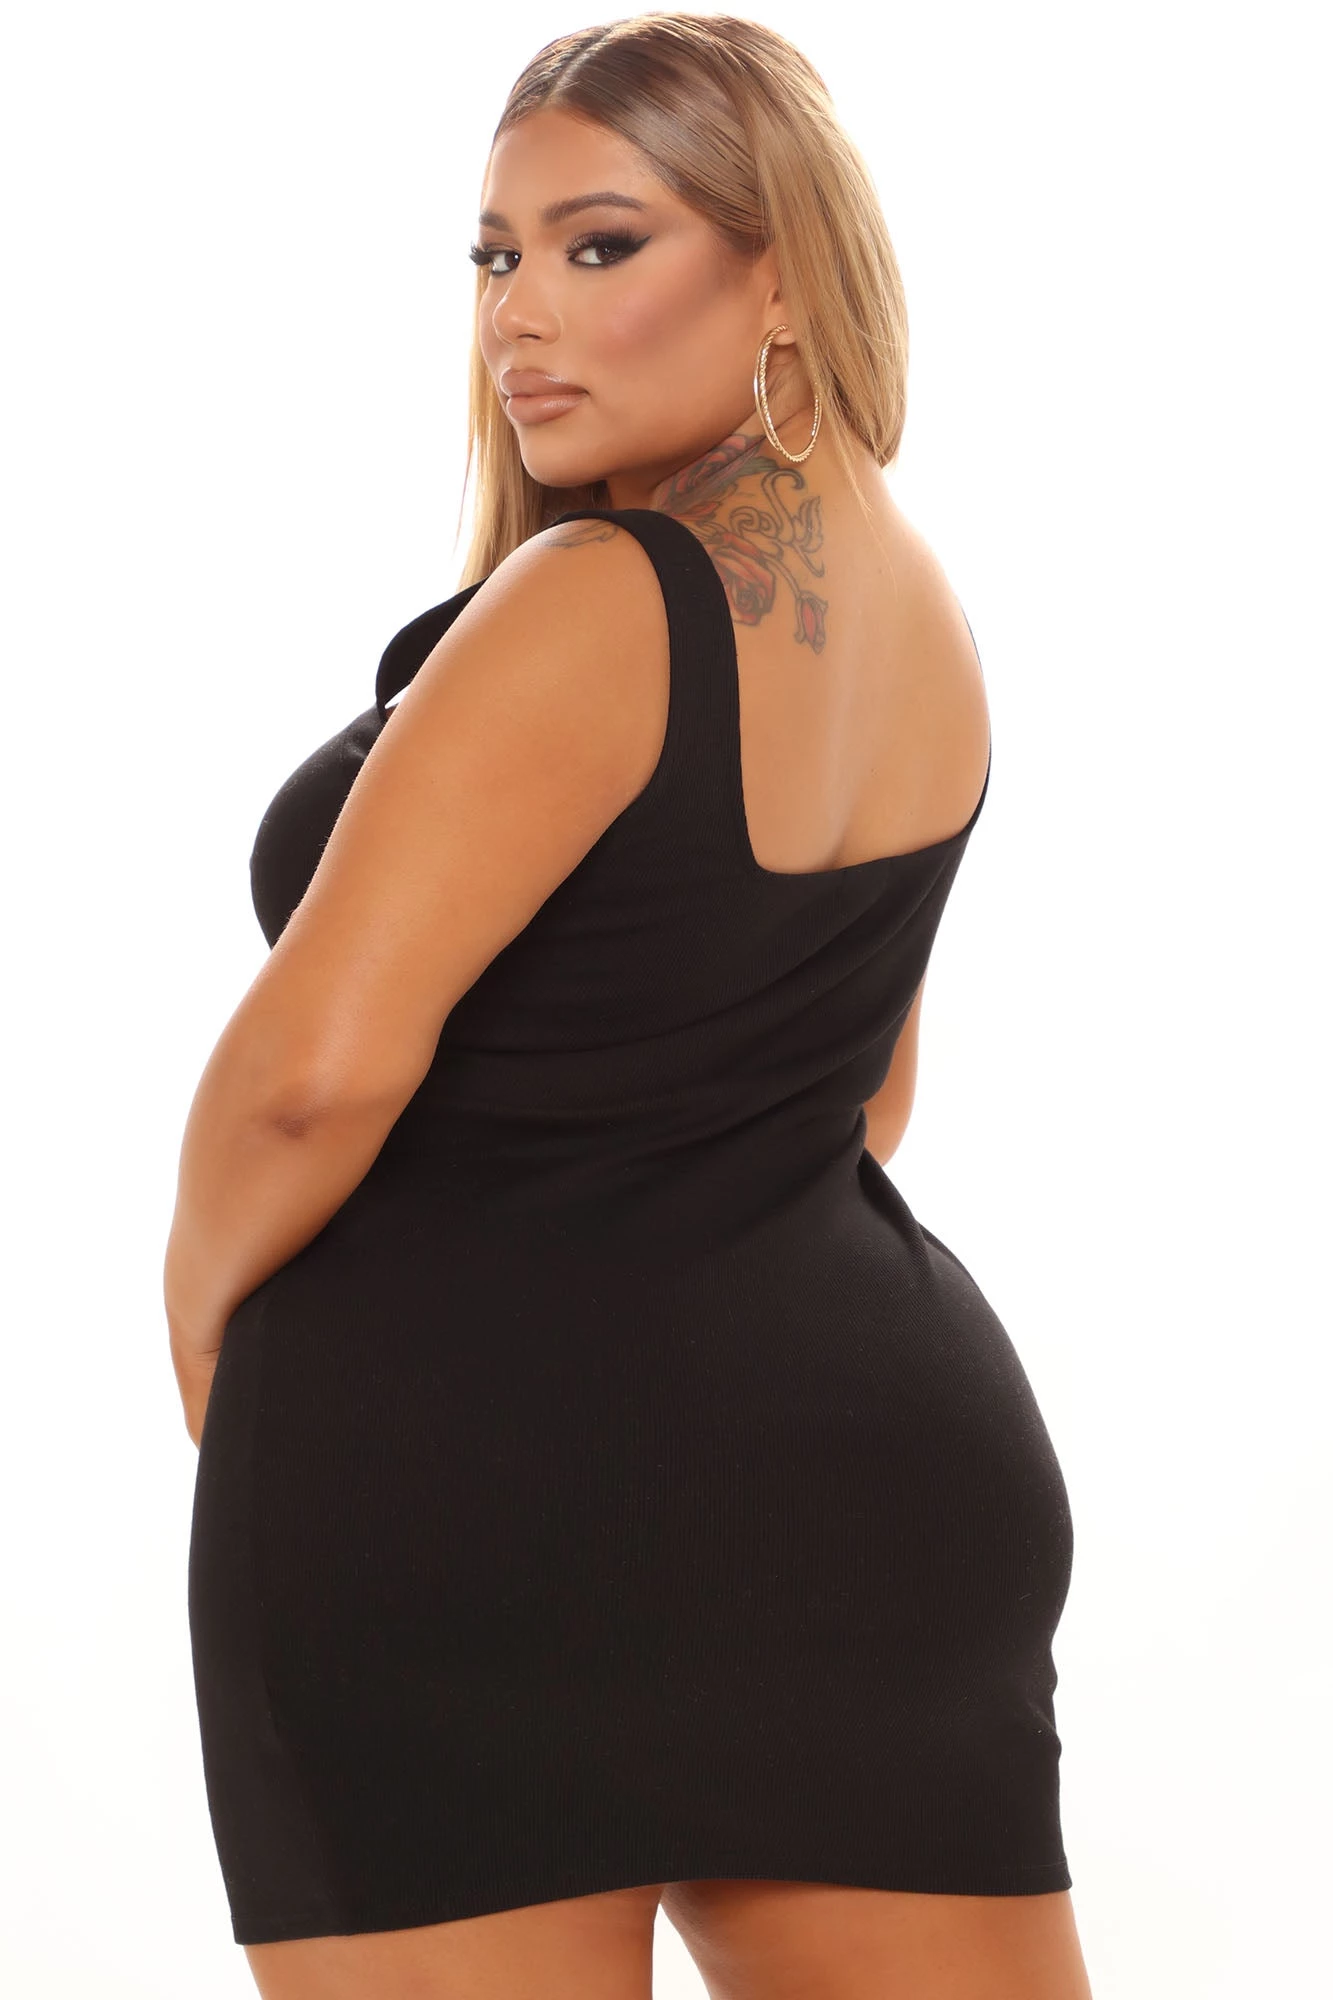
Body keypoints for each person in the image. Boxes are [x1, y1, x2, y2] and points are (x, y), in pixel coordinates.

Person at [166, 13, 1093, 1997]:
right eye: (495, 255)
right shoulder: (923, 614)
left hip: (462, 1525)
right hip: (874, 1498)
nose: (521, 314)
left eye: (602, 246)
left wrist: (225, 1363)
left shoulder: (598, 597)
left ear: (787, 273)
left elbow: (308, 1083)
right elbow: (863, 1100)